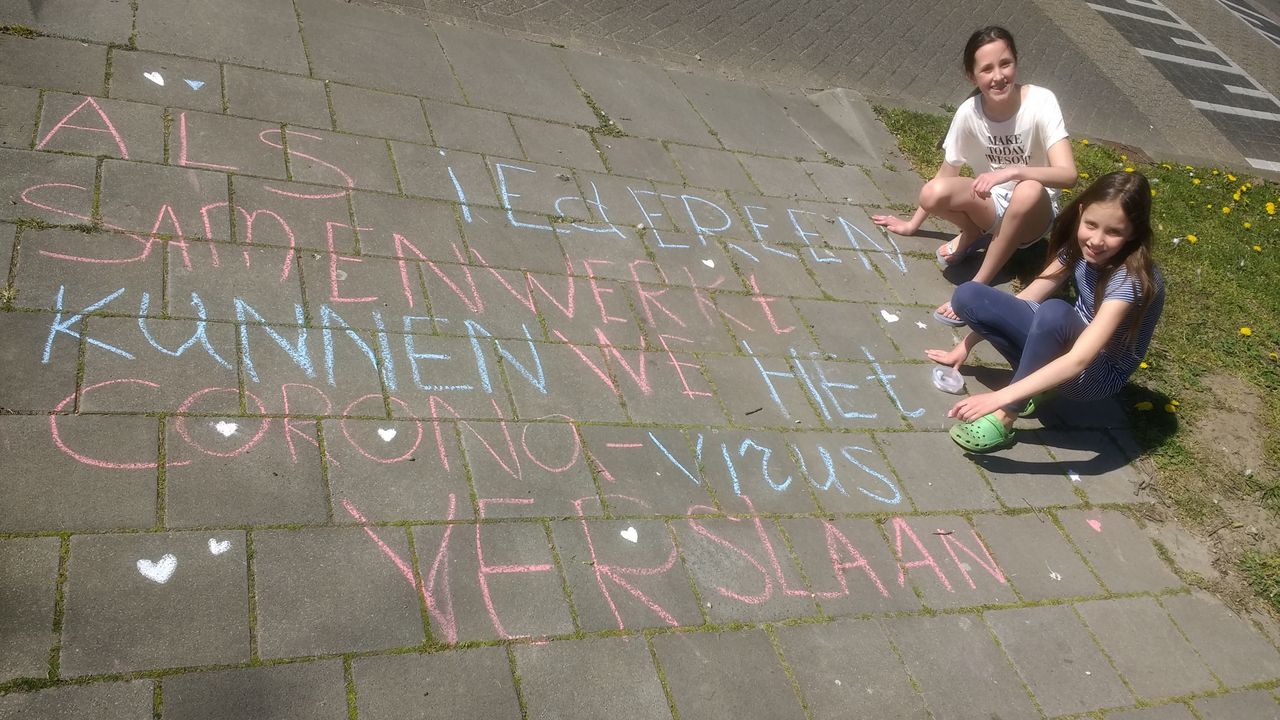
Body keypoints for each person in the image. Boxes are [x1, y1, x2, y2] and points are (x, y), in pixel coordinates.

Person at [925, 171, 1165, 452]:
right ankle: (1035, 385)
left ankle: (1005, 418)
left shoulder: (1130, 279)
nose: (1097, 240)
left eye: (1114, 232)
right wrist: (967, 345)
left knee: (1054, 313)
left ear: (1133, 232)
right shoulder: (1079, 247)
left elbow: (1079, 359)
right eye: (1091, 224)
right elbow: (1027, 298)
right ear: (1081, 211)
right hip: (1065, 342)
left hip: (1095, 374)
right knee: (970, 295)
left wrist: (999, 398)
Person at [871, 26, 1078, 326]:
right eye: (987, 69)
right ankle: (972, 234)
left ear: (1016, 62)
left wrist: (1016, 171)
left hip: (1035, 214)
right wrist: (912, 224)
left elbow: (1068, 174)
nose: (998, 76)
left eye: (1005, 64)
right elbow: (947, 171)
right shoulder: (970, 112)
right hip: (993, 205)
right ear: (972, 76)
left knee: (1029, 188)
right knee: (932, 193)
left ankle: (977, 287)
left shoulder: (1041, 101)